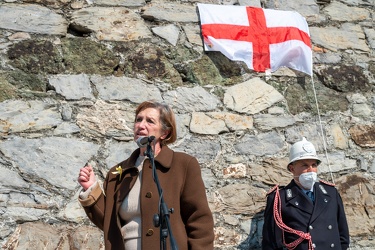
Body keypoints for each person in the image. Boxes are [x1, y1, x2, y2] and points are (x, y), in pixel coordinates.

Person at [77, 100, 214, 250]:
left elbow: (200, 221)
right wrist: (91, 189)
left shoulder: (184, 165)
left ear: (165, 132)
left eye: (150, 121)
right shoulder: (117, 173)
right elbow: (110, 225)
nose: (141, 125)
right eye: (138, 119)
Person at [262, 137, 350, 250]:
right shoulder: (279, 199)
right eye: (304, 165)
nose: (310, 170)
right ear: (292, 168)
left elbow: (343, 237)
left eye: (314, 165)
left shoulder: (331, 193)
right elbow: (271, 243)